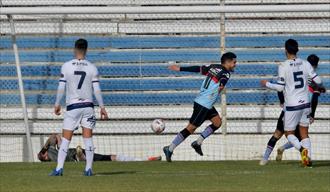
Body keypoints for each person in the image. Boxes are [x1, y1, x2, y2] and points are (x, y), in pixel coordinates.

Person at [163, 52, 237, 162]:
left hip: (206, 103)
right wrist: (220, 87)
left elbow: (198, 68)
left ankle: (197, 143)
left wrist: (180, 68)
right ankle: (169, 148)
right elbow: (222, 81)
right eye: (234, 62)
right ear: (228, 62)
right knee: (191, 128)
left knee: (217, 122)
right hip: (204, 104)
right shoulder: (226, 73)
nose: (235, 64)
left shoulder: (213, 67)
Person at [49, 39, 109, 176]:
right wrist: (102, 107)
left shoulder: (67, 66)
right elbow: (97, 89)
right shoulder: (92, 67)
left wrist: (57, 103)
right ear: (87, 50)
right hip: (88, 106)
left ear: (75, 49)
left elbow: (61, 86)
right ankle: (88, 169)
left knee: (66, 139)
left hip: (73, 106)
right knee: (88, 139)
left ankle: (59, 169)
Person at [261, 39, 323, 167]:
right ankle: (308, 159)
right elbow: (319, 81)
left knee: (289, 133)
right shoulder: (306, 64)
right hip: (306, 104)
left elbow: (279, 87)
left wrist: (266, 84)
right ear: (298, 50)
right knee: (304, 133)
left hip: (292, 106)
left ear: (285, 50)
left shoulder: (283, 66)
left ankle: (302, 151)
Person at [275, 54, 326, 162]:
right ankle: (307, 157)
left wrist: (282, 102)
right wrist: (312, 114)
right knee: (303, 135)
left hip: (292, 106)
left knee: (293, 134)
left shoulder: (298, 72)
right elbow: (315, 98)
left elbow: (281, 87)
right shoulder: (313, 80)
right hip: (305, 107)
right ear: (316, 65)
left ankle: (285, 149)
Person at [38, 134, 161, 162]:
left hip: (75, 152)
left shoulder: (51, 150)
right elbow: (55, 137)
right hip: (72, 156)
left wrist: (49, 146)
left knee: (108, 157)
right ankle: (81, 157)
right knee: (79, 154)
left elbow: (54, 137)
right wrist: (46, 148)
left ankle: (141, 161)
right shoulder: (52, 157)